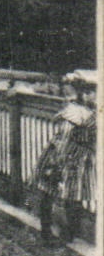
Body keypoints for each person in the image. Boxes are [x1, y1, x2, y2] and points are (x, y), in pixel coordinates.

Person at [29, 69, 97, 245]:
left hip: (81, 160)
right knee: (50, 191)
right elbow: (65, 136)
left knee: (75, 196)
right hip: (63, 156)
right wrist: (58, 160)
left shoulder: (94, 113)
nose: (94, 96)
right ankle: (46, 231)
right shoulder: (75, 111)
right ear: (83, 93)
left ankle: (70, 233)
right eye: (90, 92)